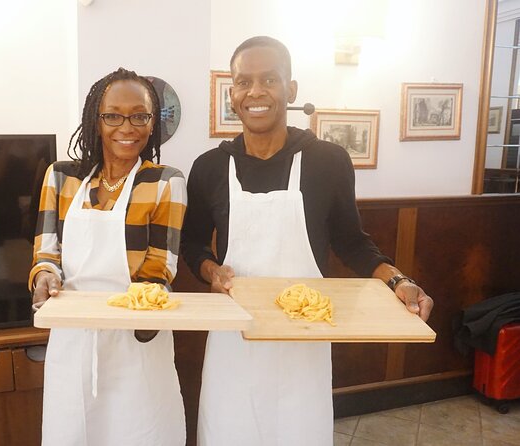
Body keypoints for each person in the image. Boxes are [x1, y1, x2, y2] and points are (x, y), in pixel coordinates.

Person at [181, 36, 434, 446]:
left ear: (291, 89)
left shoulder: (327, 161)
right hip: (234, 338)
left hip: (306, 339)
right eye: (244, 82)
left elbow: (352, 242)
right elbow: (192, 245)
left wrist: (398, 280)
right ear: (233, 94)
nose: (256, 91)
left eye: (269, 79)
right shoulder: (210, 167)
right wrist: (212, 271)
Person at [29, 67, 187, 446]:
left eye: (139, 116)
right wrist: (44, 278)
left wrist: (136, 318)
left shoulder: (166, 181)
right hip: (73, 341)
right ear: (95, 121)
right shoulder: (60, 177)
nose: (126, 127)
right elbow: (46, 253)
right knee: (73, 432)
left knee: (143, 432)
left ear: (152, 124)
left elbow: (159, 270)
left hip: (137, 341)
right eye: (113, 115)